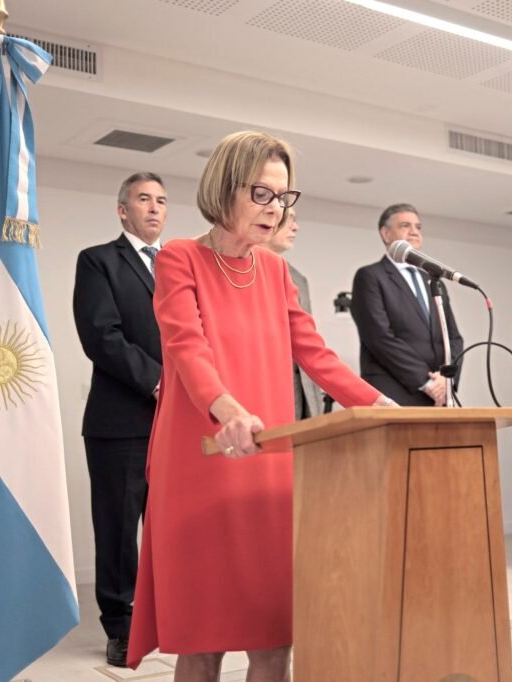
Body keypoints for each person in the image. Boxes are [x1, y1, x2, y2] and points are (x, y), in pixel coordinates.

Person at [126, 131, 393, 682]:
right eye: (263, 194)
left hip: (267, 463)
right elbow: (186, 347)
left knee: (274, 639)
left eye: (284, 197)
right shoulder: (179, 257)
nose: (276, 209)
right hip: (203, 457)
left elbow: (315, 354)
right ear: (226, 188)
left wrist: (385, 405)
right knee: (202, 642)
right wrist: (229, 411)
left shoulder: (274, 271)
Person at [73, 171, 166, 666]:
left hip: (177, 423)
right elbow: (101, 336)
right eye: (143, 199)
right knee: (118, 530)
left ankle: (168, 616)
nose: (154, 208)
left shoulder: (179, 265)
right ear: (122, 210)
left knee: (171, 527)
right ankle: (121, 625)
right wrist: (160, 382)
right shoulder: (98, 261)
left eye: (161, 201)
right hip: (121, 422)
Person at [350, 203, 464, 406]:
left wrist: (446, 379)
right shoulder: (370, 276)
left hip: (440, 396)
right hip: (394, 393)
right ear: (386, 234)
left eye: (418, 227)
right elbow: (380, 338)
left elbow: (453, 338)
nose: (414, 232)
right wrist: (427, 383)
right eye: (405, 226)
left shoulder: (433, 280)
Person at [262, 206, 325, 419]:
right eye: (289, 219)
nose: (295, 227)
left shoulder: (298, 279)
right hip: (261, 392)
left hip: (301, 393)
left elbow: (309, 344)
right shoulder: (236, 270)